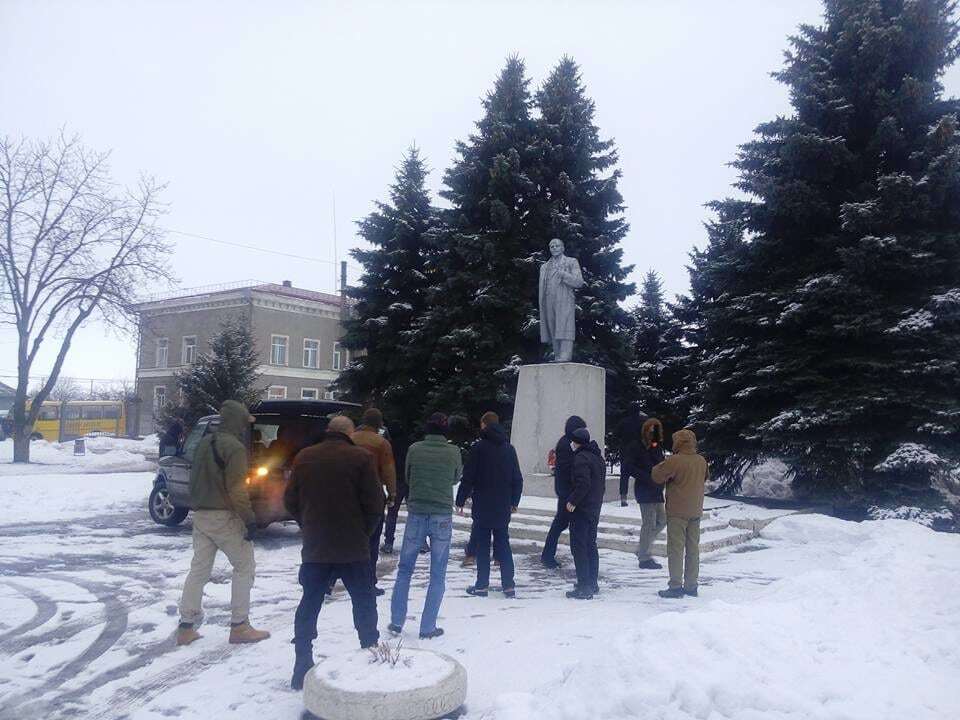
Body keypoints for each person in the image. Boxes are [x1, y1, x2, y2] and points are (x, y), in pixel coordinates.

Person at [284, 415, 385, 690]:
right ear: (349, 433)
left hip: (316, 546)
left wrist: (308, 523)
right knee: (364, 601)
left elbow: (289, 500)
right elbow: (376, 505)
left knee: (310, 602)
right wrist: (362, 532)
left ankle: (302, 662)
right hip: (353, 547)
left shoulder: (304, 457)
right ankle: (370, 653)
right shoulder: (361, 458)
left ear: (329, 431)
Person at [176, 400, 270, 647]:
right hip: (224, 517)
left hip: (200, 515)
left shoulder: (204, 442)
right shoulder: (235, 448)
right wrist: (249, 519)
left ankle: (186, 626)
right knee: (244, 567)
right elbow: (237, 489)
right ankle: (240, 625)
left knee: (199, 570)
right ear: (238, 422)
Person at [389, 412, 462, 640]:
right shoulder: (454, 451)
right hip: (441, 514)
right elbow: (455, 477)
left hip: (417, 512)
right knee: (437, 573)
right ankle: (427, 626)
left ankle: (396, 621)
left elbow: (408, 477)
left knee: (405, 569)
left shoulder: (414, 449)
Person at [456, 412, 523, 598]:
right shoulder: (509, 449)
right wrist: (514, 501)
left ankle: (481, 586)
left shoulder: (478, 448)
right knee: (503, 544)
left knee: (483, 546)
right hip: (502, 505)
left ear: (484, 425)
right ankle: (509, 586)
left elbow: (468, 477)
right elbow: (517, 478)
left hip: (482, 504)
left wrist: (460, 500)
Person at [652, 428, 709, 598]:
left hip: (677, 512)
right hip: (696, 510)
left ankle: (675, 586)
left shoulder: (674, 460)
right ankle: (692, 585)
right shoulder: (701, 460)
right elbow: (705, 477)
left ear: (678, 442)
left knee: (676, 549)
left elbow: (656, 475)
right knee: (693, 549)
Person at [351, 408, 397, 597]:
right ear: (379, 424)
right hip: (372, 496)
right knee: (372, 540)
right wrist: (392, 493)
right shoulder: (381, 443)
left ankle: (331, 581)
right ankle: (368, 582)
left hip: (349, 495)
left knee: (346, 539)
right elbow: (388, 470)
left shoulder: (350, 438)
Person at [540, 415, 586, 569]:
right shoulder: (568, 445)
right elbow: (569, 470)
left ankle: (548, 555)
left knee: (560, 523)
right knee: (560, 523)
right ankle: (547, 556)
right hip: (567, 492)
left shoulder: (565, 442)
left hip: (565, 490)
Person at [565, 427, 606, 600]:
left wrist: (572, 501)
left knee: (579, 547)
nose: (571, 444)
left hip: (582, 508)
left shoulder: (581, 458)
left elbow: (583, 483)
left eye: (573, 441)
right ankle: (592, 582)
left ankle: (583, 585)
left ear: (577, 442)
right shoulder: (597, 457)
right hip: (594, 507)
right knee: (591, 545)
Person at [635, 417, 668, 569]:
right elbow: (630, 467)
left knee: (662, 520)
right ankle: (644, 557)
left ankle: (643, 547)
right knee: (648, 523)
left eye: (657, 430)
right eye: (651, 430)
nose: (654, 433)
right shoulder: (638, 446)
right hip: (645, 489)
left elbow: (660, 464)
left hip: (657, 489)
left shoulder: (657, 447)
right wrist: (648, 478)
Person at [617, 406, 648, 506]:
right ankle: (642, 495)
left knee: (624, 475)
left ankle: (623, 498)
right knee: (641, 474)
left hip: (625, 451)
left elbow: (616, 434)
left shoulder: (623, 422)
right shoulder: (643, 421)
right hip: (640, 452)